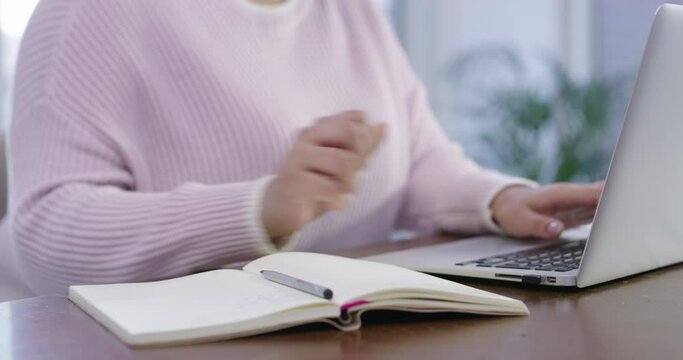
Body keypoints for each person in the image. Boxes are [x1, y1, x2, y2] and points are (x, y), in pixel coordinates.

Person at [2, 0, 602, 298]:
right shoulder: (90, 14)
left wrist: (500, 200)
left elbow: (415, 159)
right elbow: (46, 229)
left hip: (330, 328)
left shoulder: (347, 9)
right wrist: (257, 210)